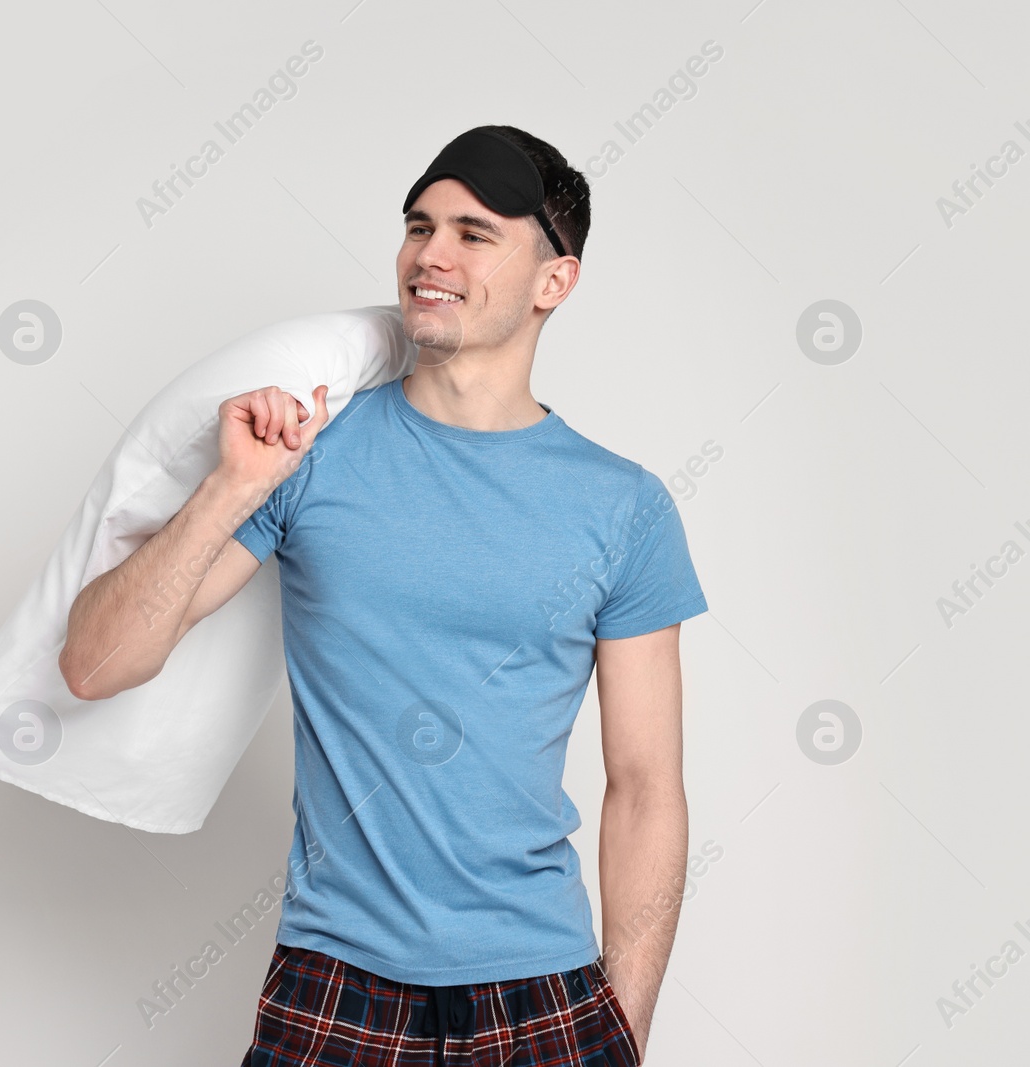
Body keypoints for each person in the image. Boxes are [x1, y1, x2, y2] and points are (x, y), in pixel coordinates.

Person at [60, 125, 706, 1066]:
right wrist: (232, 485)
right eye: (418, 226)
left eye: (474, 233)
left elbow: (646, 787)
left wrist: (626, 1028)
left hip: (542, 989)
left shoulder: (625, 506)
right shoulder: (310, 455)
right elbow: (93, 663)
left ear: (553, 281)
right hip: (334, 980)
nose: (429, 256)